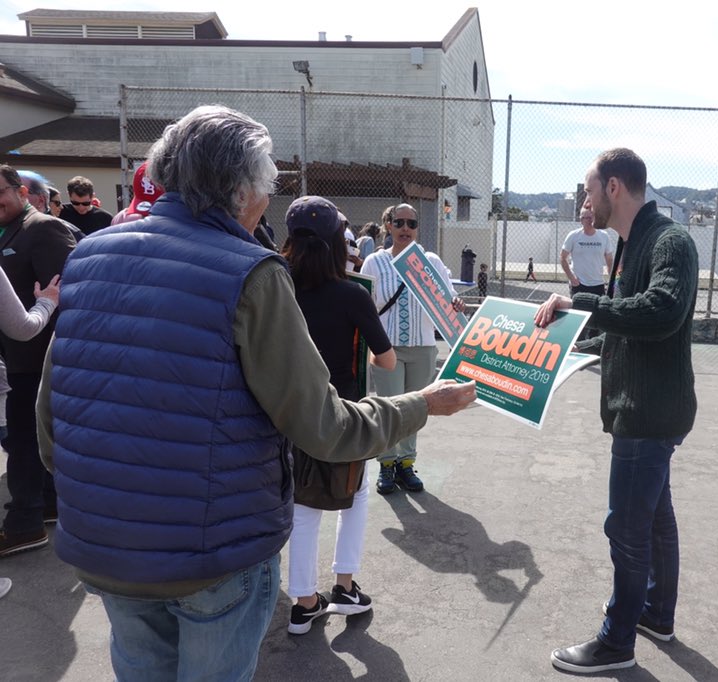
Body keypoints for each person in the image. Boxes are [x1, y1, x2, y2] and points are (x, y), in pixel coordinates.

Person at [36, 105, 476, 680]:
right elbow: (326, 427)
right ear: (244, 191)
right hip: (213, 553)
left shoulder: (89, 256)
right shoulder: (250, 271)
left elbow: (52, 420)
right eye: (267, 185)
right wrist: (422, 403)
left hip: (103, 543)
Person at [535, 148, 699, 674]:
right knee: (654, 520)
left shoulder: (670, 241)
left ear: (612, 188)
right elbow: (621, 324)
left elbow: (660, 312)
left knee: (626, 527)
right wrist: (563, 349)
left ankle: (616, 641)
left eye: (588, 190)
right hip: (645, 409)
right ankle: (656, 612)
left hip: (648, 413)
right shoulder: (630, 245)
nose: (585, 201)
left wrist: (578, 303)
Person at [281, 195, 396, 634]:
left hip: (285, 409)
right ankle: (344, 587)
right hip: (341, 411)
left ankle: (304, 602)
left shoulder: (277, 286)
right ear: (338, 242)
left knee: (302, 504)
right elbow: (385, 360)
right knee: (356, 495)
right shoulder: (351, 293)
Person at [360, 203, 465, 495]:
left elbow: (450, 296)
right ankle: (387, 465)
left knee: (416, 408)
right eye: (399, 222)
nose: (406, 228)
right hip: (386, 348)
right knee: (390, 406)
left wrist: (456, 304)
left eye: (412, 223)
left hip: (423, 347)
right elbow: (365, 304)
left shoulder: (429, 260)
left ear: (417, 229)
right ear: (389, 226)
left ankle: (406, 463)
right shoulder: (374, 262)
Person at [0, 165, 77, 558]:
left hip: (38, 358)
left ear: (22, 192)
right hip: (16, 358)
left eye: (0, 192)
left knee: (24, 443)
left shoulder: (43, 228)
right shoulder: (9, 232)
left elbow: (71, 294)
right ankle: (47, 505)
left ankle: (23, 524)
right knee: (31, 439)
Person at [561, 204, 615, 339]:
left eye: (590, 217)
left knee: (596, 320)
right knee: (578, 321)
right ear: (580, 219)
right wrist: (572, 278)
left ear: (595, 218)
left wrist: (613, 280)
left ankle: (592, 350)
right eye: (585, 218)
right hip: (579, 284)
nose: (588, 220)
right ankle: (577, 348)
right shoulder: (573, 236)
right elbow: (563, 258)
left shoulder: (604, 236)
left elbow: (609, 260)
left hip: (597, 284)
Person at [17, 170, 84, 242]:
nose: (61, 207)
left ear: (41, 200)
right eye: (3, 193)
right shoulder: (9, 228)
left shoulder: (61, 231)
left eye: (21, 193)